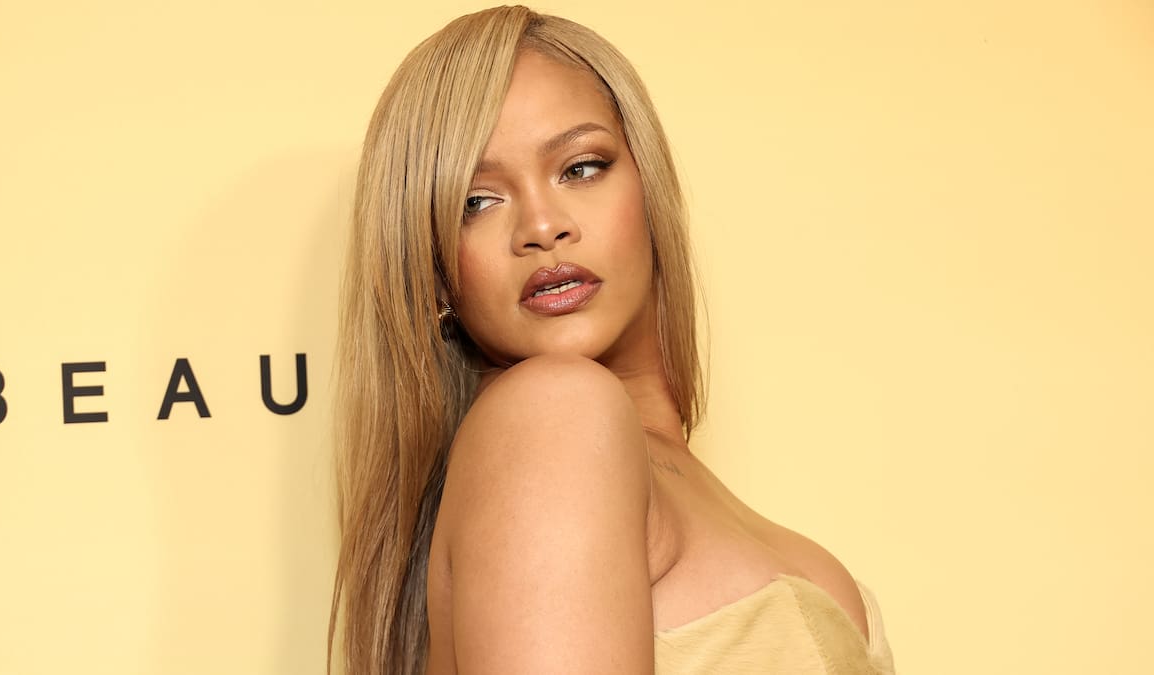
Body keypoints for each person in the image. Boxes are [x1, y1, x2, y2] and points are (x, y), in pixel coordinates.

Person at [328, 6, 895, 674]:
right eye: (474, 202)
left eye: (581, 167)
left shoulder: (652, 469)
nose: (542, 226)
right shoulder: (554, 416)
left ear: (650, 188)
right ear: (434, 275)